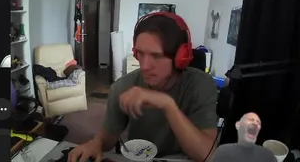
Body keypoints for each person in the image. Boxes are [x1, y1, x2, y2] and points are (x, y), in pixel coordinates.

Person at [67, 12, 219, 161]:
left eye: (156, 55)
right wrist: (96, 143)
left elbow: (207, 155)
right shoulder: (122, 87)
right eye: (140, 53)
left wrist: (168, 105)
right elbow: (107, 138)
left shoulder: (201, 85)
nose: (145, 66)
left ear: (180, 57)